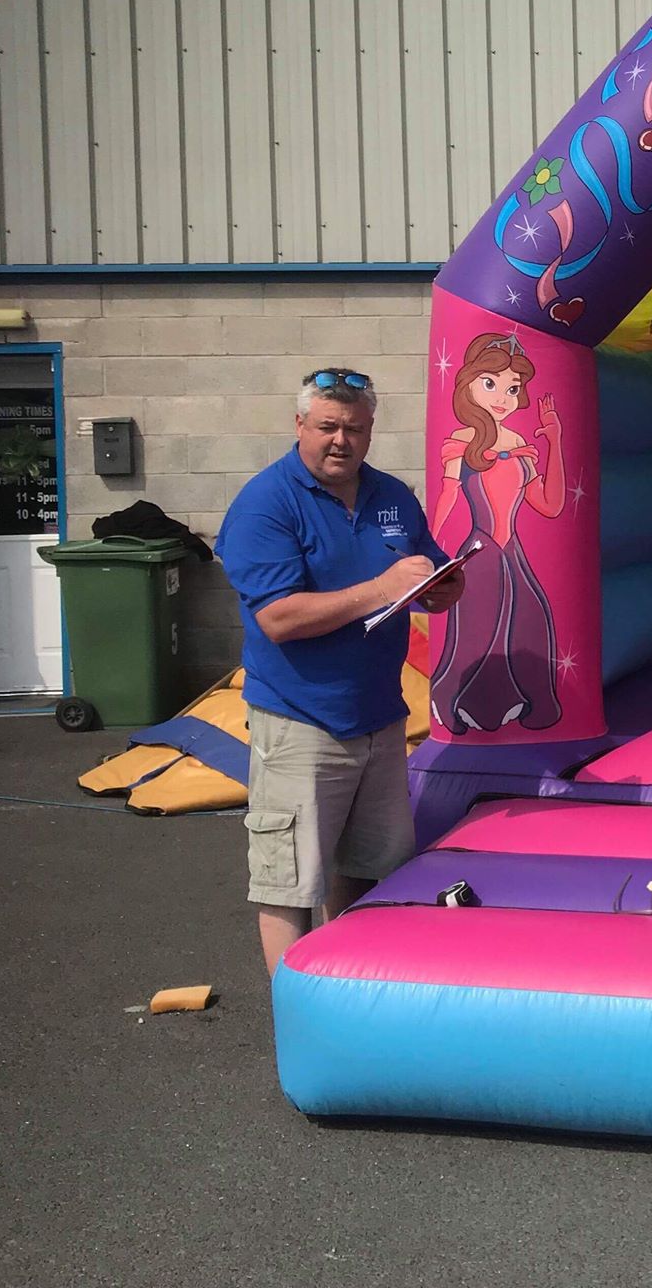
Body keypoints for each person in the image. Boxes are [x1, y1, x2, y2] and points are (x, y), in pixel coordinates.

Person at [215, 368, 465, 975]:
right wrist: (383, 587)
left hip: (379, 719)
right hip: (301, 721)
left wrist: (440, 587)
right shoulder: (265, 504)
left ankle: (352, 989)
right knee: (289, 884)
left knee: (368, 869)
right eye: (327, 426)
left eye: (354, 428)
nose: (340, 441)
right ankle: (294, 1013)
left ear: (371, 430)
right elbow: (278, 618)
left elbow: (422, 566)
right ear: (299, 425)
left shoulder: (391, 496)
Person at [429, 332, 566, 733]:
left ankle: (532, 705)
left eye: (512, 387)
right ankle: (448, 697)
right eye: (490, 383)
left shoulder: (520, 442)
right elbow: (448, 496)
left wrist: (554, 440)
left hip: (513, 552)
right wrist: (430, 548)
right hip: (480, 550)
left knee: (531, 622)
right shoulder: (461, 442)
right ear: (469, 384)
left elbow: (550, 505)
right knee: (475, 630)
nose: (502, 396)